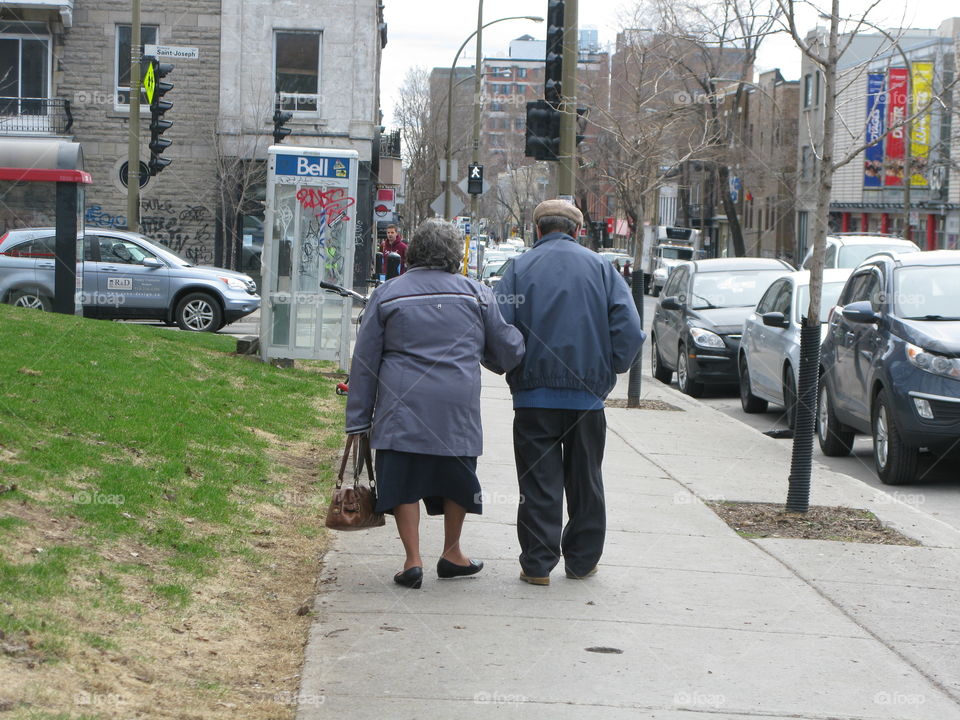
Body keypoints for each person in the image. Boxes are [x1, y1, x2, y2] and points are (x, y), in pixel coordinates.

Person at [346, 218, 525, 589]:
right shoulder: (477, 293)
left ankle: (412, 561)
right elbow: (508, 351)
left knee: (403, 477)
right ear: (454, 254)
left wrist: (359, 419)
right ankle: (452, 553)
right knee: (456, 475)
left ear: (413, 251)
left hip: (400, 404)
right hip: (455, 405)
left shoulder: (388, 293)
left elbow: (364, 362)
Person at [495, 199, 645, 586]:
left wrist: (511, 365)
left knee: (538, 484)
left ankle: (537, 563)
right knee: (586, 482)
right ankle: (581, 561)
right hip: (587, 398)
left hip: (533, 398)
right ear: (578, 232)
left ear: (537, 230)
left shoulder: (518, 268)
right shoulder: (602, 269)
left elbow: (498, 330)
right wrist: (611, 367)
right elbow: (628, 329)